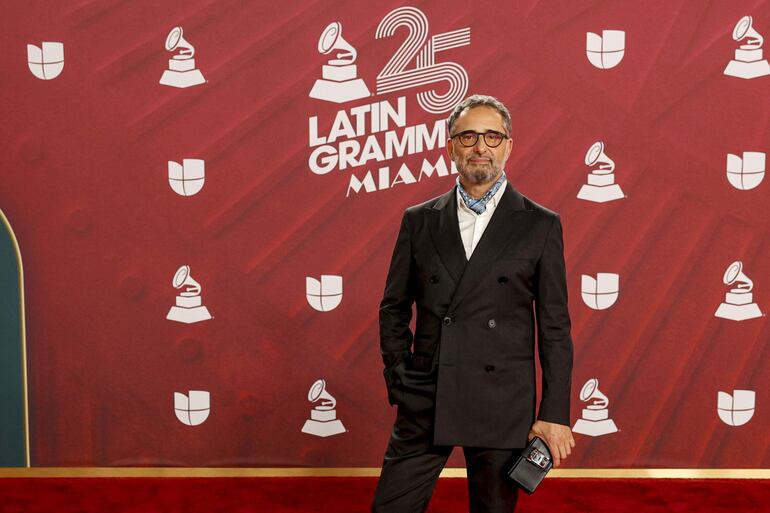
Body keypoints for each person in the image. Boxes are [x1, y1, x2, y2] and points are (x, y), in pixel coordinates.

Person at [372, 94, 575, 513]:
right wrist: (400, 378)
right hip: (428, 395)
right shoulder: (419, 220)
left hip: (502, 401)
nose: (480, 146)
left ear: (508, 146)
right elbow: (393, 308)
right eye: (468, 135)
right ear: (450, 146)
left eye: (492, 136)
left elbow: (554, 327)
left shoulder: (540, 224)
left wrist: (553, 413)